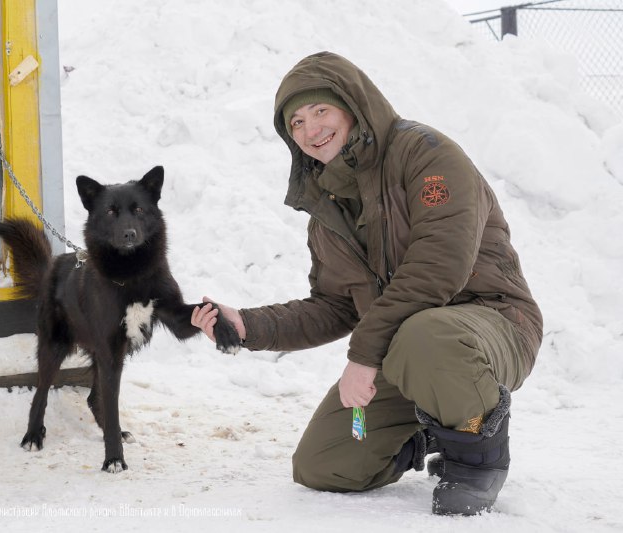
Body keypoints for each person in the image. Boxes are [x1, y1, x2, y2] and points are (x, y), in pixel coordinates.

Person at [191, 51, 543, 516]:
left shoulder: (427, 157)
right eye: (295, 123)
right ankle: (435, 422)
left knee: (428, 333)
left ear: (353, 105)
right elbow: (335, 306)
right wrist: (249, 325)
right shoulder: (328, 206)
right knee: (325, 464)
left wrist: (362, 357)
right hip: (405, 352)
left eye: (320, 111)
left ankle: (477, 451)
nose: (310, 130)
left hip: (492, 327)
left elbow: (438, 269)